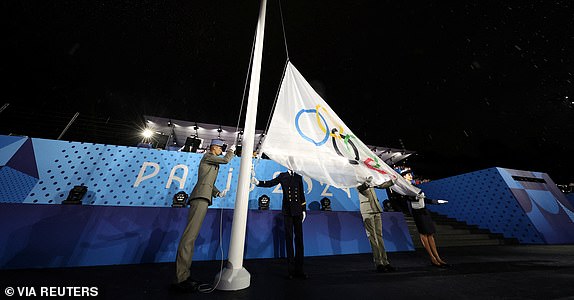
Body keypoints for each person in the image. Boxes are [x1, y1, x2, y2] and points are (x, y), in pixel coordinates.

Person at [173, 139, 235, 292]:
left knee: (191, 238)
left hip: (203, 197)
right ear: (214, 147)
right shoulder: (207, 156)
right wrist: (231, 151)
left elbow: (207, 182)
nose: (222, 150)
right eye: (221, 148)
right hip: (199, 198)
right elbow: (226, 160)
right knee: (189, 237)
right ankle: (181, 278)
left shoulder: (211, 162)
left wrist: (218, 192)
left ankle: (185, 276)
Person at [252, 169, 308, 279]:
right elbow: (271, 183)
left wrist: (304, 209)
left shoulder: (298, 176)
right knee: (289, 240)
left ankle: (300, 270)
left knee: (299, 241)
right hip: (287, 211)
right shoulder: (283, 176)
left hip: (297, 211)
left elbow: (301, 194)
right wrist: (258, 183)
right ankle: (291, 271)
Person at [401, 169, 449, 268]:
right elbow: (405, 198)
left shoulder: (415, 186)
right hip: (417, 212)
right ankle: (432, 257)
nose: (410, 176)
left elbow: (424, 199)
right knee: (423, 234)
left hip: (424, 211)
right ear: (404, 177)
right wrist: (415, 197)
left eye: (410, 174)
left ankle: (438, 257)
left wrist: (437, 201)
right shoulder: (404, 187)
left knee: (430, 234)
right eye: (408, 174)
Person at [356, 176, 397, 272]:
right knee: (373, 238)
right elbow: (361, 188)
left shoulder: (370, 179)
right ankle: (379, 263)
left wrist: (392, 181)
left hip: (376, 209)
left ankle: (385, 262)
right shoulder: (357, 180)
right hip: (367, 210)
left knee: (379, 236)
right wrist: (366, 183)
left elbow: (381, 185)